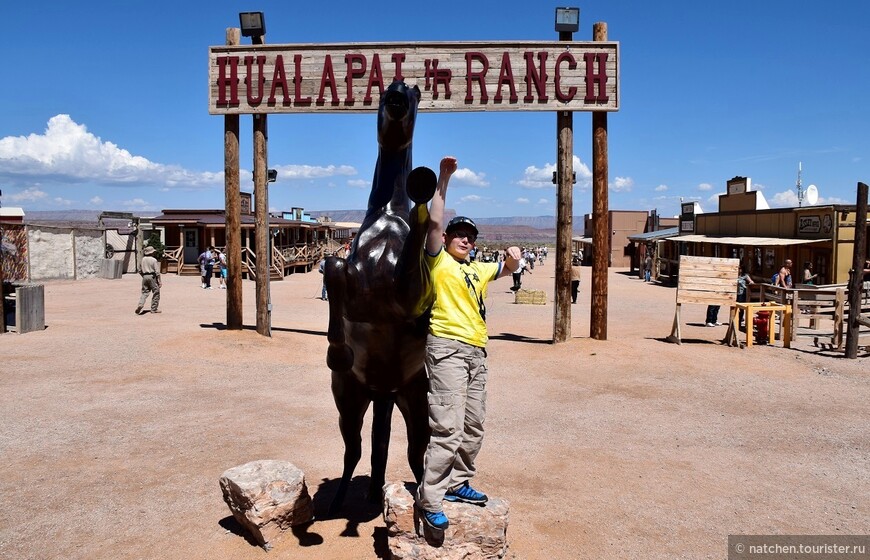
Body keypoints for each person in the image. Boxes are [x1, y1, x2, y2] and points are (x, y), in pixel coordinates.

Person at [415, 156, 520, 532]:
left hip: (477, 353)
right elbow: (435, 220)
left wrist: (513, 259)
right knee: (447, 427)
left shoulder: (477, 268)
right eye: (459, 233)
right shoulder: (438, 261)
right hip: (446, 348)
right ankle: (430, 500)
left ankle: (459, 483)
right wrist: (444, 179)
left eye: (470, 235)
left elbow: (506, 269)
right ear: (446, 239)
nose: (464, 238)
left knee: (474, 426)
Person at [135, 246, 161, 315]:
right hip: (152, 276)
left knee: (144, 292)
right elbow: (157, 272)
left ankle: (140, 304)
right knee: (156, 292)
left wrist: (143, 276)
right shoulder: (153, 260)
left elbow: (139, 270)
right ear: (152, 253)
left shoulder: (143, 259)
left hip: (144, 276)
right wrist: (159, 281)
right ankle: (154, 309)